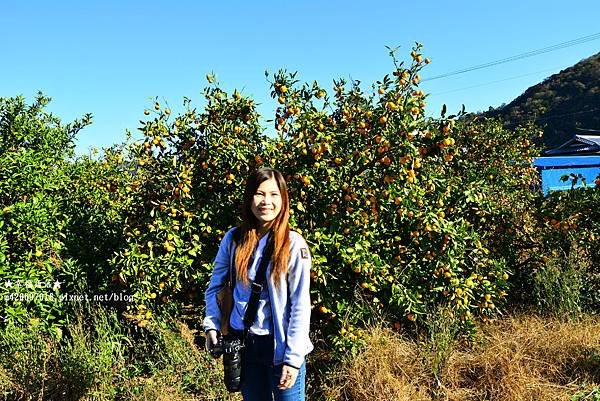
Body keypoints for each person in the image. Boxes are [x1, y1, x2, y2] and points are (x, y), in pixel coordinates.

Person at [203, 167, 313, 401]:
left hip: (280, 348)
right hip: (244, 346)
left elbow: (300, 305)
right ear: (249, 198)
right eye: (259, 194)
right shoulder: (234, 239)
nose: (267, 201)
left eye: (274, 195)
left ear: (283, 200)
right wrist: (211, 325)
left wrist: (293, 360)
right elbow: (215, 286)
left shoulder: (293, 245)